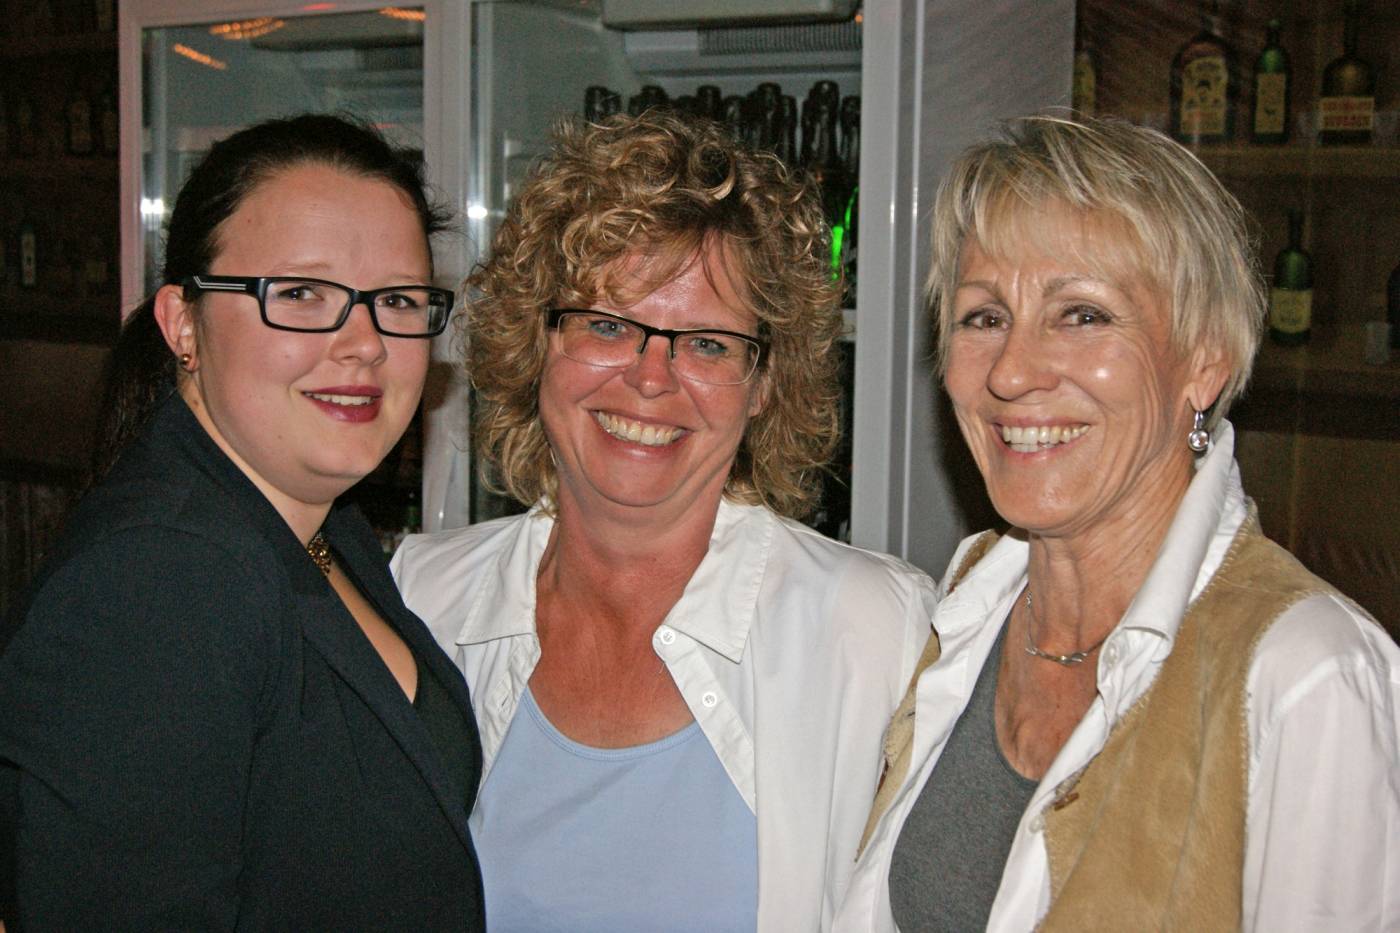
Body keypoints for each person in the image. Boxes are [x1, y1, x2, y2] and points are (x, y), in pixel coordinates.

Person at [834, 114, 1400, 932]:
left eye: (1083, 314)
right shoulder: (968, 600)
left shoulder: (1307, 674)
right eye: (984, 317)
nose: (1012, 372)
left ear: (1204, 359)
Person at [391, 110, 936, 931]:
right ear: (536, 343)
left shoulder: (872, 631)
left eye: (708, 343)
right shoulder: (421, 600)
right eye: (608, 325)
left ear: (764, 383)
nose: (652, 378)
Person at [0, 114, 486, 929]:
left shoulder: (322, 526)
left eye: (397, 300)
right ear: (182, 323)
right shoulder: (159, 580)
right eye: (301, 294)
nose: (365, 342)